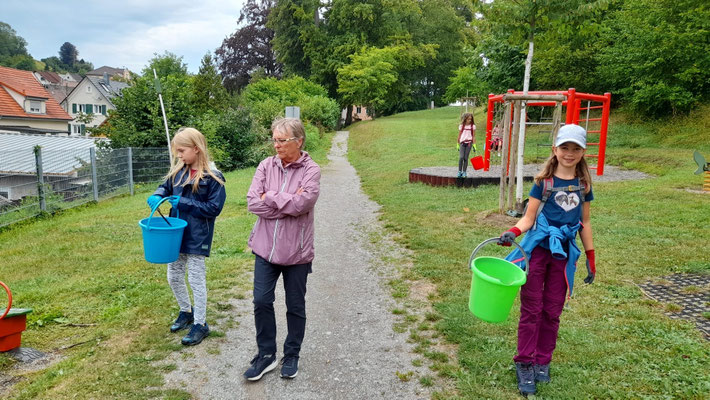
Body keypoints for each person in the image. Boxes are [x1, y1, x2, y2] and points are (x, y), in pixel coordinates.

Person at [496, 124, 596, 396]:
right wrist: (513, 232)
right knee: (532, 310)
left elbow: (585, 222)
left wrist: (590, 256)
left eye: (576, 148)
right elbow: (528, 218)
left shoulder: (584, 185)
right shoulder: (543, 183)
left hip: (563, 255)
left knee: (552, 311)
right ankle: (525, 362)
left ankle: (543, 360)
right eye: (565, 147)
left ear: (583, 152)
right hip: (537, 252)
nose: (570, 153)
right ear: (555, 149)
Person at [244, 118, 321, 381]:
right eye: (274, 139)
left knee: (295, 305)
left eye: (282, 140)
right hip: (265, 248)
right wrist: (285, 203)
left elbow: (304, 203)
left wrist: (272, 197)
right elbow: (253, 202)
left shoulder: (311, 170)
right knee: (261, 301)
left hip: (297, 252)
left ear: (299, 141)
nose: (275, 145)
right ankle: (266, 354)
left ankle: (292, 354)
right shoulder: (266, 165)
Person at [147, 127, 226, 346]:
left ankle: (200, 324)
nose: (179, 156)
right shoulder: (179, 171)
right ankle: (186, 311)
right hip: (175, 234)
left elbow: (213, 208)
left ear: (197, 149)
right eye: (177, 152)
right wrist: (157, 195)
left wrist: (182, 203)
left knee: (196, 279)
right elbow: (165, 187)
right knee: (173, 275)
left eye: (182, 151)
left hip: (197, 236)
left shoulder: (213, 178)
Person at [457, 113, 477, 178]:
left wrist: (474, 144)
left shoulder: (472, 126)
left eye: (471, 119)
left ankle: (464, 172)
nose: (470, 120)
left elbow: (473, 136)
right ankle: (459, 171)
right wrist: (457, 144)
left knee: (466, 158)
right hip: (462, 143)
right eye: (468, 119)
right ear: (465, 119)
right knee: (461, 157)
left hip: (469, 143)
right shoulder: (462, 126)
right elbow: (459, 135)